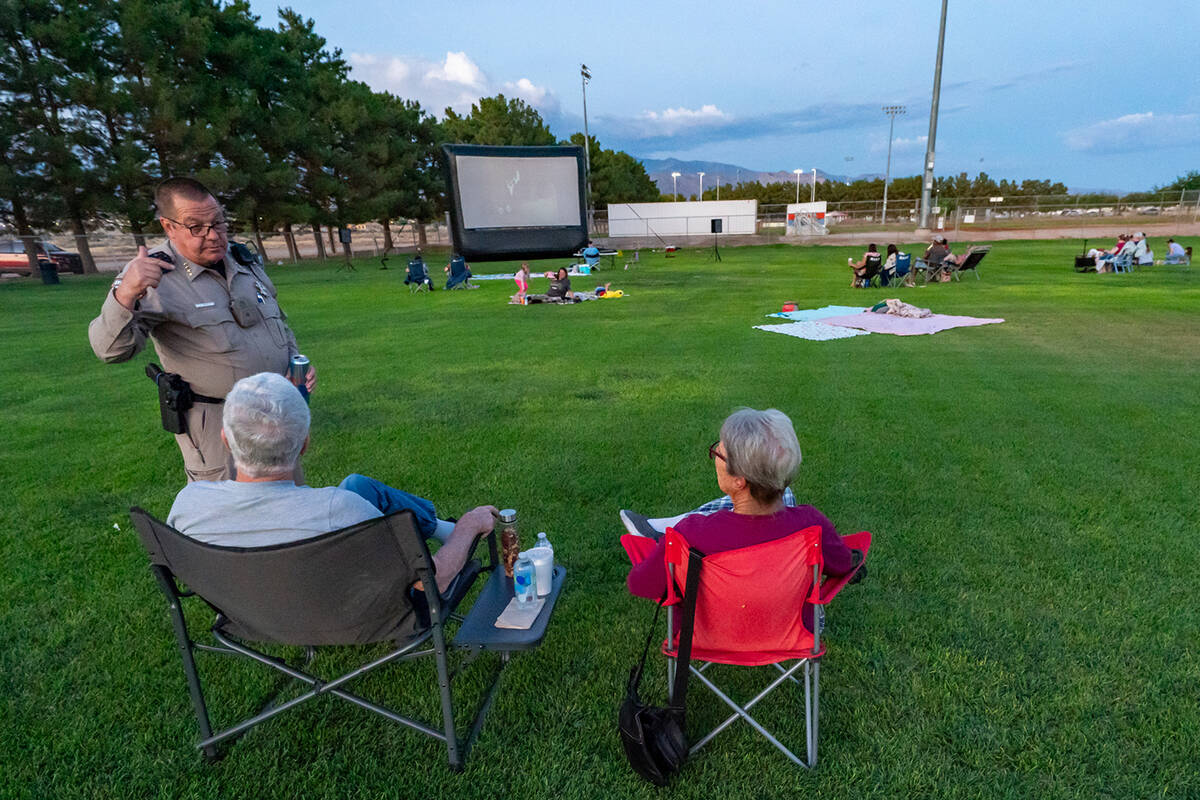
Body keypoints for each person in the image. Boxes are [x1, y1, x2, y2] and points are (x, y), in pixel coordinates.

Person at [168, 372, 496, 593]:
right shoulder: (341, 511)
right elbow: (431, 581)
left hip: (249, 612)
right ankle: (449, 530)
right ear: (305, 444)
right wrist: (468, 526)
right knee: (359, 495)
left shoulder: (188, 504)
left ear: (226, 440)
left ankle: (438, 526)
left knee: (358, 485)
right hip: (340, 608)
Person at [88, 177, 316, 483]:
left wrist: (294, 361)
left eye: (218, 222)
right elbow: (110, 350)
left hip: (274, 417)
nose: (213, 235)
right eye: (196, 227)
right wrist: (126, 293)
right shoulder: (156, 278)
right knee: (227, 519)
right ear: (168, 227)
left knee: (287, 502)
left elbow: (274, 320)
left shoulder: (242, 261)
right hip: (216, 425)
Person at [621, 408, 863, 631]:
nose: (715, 457)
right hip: (788, 631)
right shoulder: (811, 526)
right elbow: (843, 564)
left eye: (719, 453)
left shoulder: (690, 533)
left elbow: (642, 585)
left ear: (739, 480)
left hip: (709, 634)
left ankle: (654, 530)